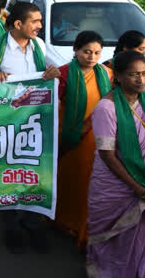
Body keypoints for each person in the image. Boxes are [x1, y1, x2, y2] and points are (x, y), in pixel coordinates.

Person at [86, 50, 145, 277]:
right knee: (114, 236)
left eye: (144, 74)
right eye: (134, 75)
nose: (141, 80)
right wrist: (138, 188)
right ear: (119, 77)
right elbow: (107, 155)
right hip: (116, 184)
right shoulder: (107, 108)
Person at [0, 2, 60, 254]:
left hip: (34, 123)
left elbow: (54, 71)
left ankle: (31, 220)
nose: (40, 26)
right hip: (5, 125)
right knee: (7, 174)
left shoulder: (38, 46)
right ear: (18, 24)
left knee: (31, 171)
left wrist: (52, 73)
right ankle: (11, 225)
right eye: (35, 21)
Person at [55, 31, 113, 250]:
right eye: (86, 51)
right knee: (70, 181)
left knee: (91, 186)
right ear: (76, 50)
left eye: (97, 52)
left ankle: (84, 227)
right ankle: (63, 220)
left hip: (97, 139)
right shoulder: (63, 74)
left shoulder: (107, 74)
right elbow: (49, 103)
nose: (91, 57)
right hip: (70, 137)